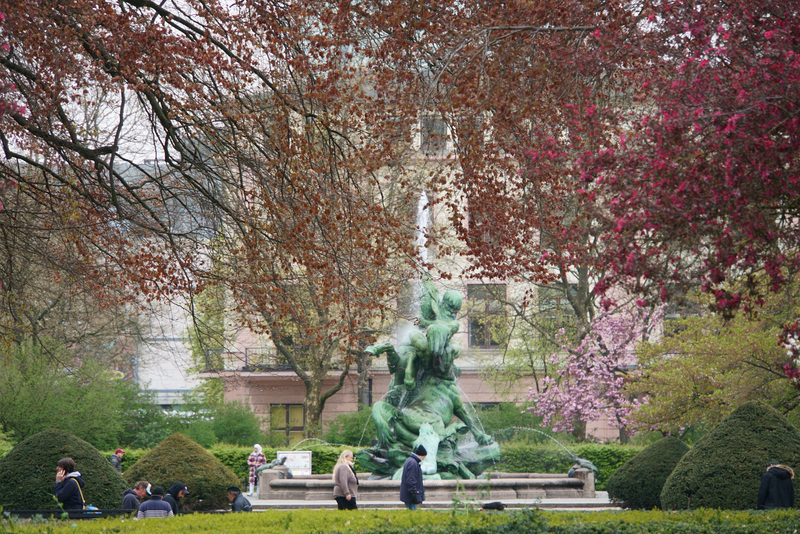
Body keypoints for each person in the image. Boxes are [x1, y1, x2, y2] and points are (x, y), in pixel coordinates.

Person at [399, 445, 427, 510]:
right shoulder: (413, 463)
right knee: (413, 514)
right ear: (421, 455)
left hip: (408, 495)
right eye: (424, 457)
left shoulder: (410, 461)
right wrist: (414, 494)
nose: (423, 459)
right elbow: (411, 479)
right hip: (411, 496)